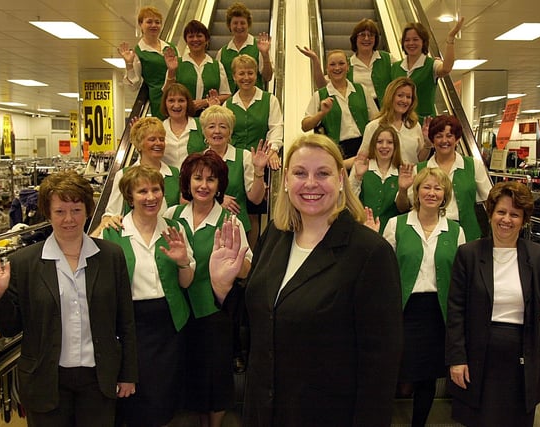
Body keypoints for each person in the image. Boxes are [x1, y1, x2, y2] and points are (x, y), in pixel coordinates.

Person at [208, 133, 404, 427]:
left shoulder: (369, 253)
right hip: (264, 411)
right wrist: (223, 289)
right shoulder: (275, 235)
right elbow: (260, 323)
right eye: (300, 173)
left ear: (340, 179)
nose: (310, 183)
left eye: (322, 173)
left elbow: (381, 367)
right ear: (286, 179)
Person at [0, 171, 137, 426]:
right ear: (48, 213)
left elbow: (125, 321)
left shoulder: (110, 256)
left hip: (99, 380)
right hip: (45, 381)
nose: (69, 219)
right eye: (60, 211)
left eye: (76, 210)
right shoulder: (24, 263)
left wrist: (127, 374)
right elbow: (10, 328)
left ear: (88, 211)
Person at [446, 181, 540, 427]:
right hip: (477, 357)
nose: (506, 219)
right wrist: (456, 358)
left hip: (522, 360)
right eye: (501, 212)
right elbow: (456, 311)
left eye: (515, 214)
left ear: (524, 220)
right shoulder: (469, 254)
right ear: (491, 214)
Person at [101, 165, 194, 427]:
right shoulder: (112, 232)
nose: (151, 197)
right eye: (142, 191)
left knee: (163, 395)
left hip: (169, 324)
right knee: (132, 396)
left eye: (156, 190)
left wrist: (183, 261)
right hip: (130, 327)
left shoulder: (174, 229)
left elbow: (185, 283)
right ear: (129, 197)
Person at [164, 151, 252, 427]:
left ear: (220, 185)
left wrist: (233, 261)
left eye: (211, 179)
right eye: (197, 178)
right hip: (177, 309)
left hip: (214, 310)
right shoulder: (171, 215)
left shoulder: (229, 221)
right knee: (191, 372)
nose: (203, 185)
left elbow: (248, 269)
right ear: (187, 182)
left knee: (214, 374)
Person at [381, 167, 465, 427]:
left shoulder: (455, 231)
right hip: (404, 310)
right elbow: (384, 270)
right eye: (426, 187)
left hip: (437, 313)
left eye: (438, 188)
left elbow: (461, 277)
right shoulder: (396, 225)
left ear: (445, 194)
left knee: (428, 376)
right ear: (416, 192)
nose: (432, 192)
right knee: (394, 372)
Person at [399, 114, 493, 241]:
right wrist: (403, 189)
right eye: (439, 136)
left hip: (467, 235)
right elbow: (403, 207)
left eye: (449, 136)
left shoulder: (473, 165)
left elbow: (490, 198)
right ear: (432, 140)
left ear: (457, 139)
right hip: (429, 234)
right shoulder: (420, 169)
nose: (444, 141)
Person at [225, 54, 283, 246]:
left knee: (253, 213)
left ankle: (252, 257)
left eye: (250, 73)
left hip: (259, 161)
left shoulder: (269, 99)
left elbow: (276, 127)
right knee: (235, 210)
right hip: (234, 163)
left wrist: (273, 150)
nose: (246, 77)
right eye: (241, 73)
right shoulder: (228, 104)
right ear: (234, 76)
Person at [100, 117, 181, 232]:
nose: (158, 143)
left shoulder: (175, 173)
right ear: (139, 144)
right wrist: (109, 219)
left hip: (169, 237)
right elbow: (111, 213)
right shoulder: (124, 175)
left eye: (161, 139)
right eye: (152, 139)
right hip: (135, 237)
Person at [301, 49, 379, 169]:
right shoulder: (320, 95)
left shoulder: (361, 90)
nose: (337, 68)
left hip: (365, 147)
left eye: (341, 63)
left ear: (348, 67)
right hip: (337, 151)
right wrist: (322, 113)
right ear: (327, 69)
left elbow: (376, 119)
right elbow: (305, 126)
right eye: (332, 64)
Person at [200, 105, 270, 235]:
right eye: (211, 126)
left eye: (223, 126)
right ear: (204, 131)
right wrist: (217, 199)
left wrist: (259, 171)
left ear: (230, 131)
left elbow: (256, 199)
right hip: (204, 228)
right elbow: (185, 199)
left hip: (237, 228)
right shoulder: (197, 160)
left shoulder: (244, 156)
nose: (217, 131)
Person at [297, 18, 396, 106]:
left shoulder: (387, 58)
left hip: (387, 113)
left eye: (371, 35)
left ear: (376, 39)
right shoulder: (346, 65)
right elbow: (323, 85)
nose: (366, 38)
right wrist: (315, 60)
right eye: (362, 35)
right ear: (355, 38)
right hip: (359, 114)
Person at [391, 19, 464, 122]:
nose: (411, 43)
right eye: (407, 40)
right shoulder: (395, 67)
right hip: (399, 122)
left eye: (415, 39)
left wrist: (450, 39)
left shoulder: (431, 65)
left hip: (424, 125)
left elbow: (446, 68)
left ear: (423, 42)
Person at [350, 124, 413, 233]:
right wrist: (358, 177)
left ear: (395, 146)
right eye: (379, 142)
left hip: (391, 234)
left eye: (389, 142)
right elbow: (349, 201)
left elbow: (403, 209)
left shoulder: (403, 173)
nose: (384, 146)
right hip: (361, 231)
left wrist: (403, 189)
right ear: (373, 145)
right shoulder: (361, 167)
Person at [119, 6, 178, 119]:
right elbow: (133, 86)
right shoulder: (138, 52)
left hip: (178, 95)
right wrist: (129, 64)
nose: (154, 25)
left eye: (157, 22)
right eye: (149, 22)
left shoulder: (170, 47)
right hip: (160, 99)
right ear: (141, 25)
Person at [357, 77, 431, 165]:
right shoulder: (373, 126)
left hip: (411, 176)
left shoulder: (414, 125)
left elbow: (419, 159)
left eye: (408, 97)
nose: (404, 100)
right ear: (391, 97)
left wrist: (427, 145)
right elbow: (362, 158)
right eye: (400, 95)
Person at [164, 20, 231, 115]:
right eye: (191, 36)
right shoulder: (177, 63)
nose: (195, 39)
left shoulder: (216, 65)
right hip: (182, 117)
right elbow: (166, 93)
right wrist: (171, 71)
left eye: (199, 36)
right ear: (186, 41)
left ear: (206, 39)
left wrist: (205, 102)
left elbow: (226, 95)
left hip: (210, 118)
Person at [216, 1, 273, 93]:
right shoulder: (222, 52)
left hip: (255, 102)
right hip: (230, 103)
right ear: (229, 26)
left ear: (248, 25)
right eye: (235, 23)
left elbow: (268, 77)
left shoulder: (259, 47)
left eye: (242, 23)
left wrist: (265, 55)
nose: (239, 26)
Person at [160, 82, 207, 169]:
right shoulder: (158, 128)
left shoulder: (202, 125)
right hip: (166, 181)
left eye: (181, 100)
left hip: (196, 180)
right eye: (171, 101)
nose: (176, 105)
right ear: (165, 103)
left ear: (188, 103)